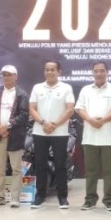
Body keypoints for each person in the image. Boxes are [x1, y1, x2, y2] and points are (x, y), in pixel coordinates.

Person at [75, 61, 111, 211]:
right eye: (96, 71)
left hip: (109, 137)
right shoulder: (85, 89)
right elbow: (79, 108)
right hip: (90, 136)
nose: (99, 73)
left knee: (109, 171)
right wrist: (90, 120)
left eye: (102, 70)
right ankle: (90, 200)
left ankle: (108, 200)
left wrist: (102, 120)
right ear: (92, 72)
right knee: (91, 171)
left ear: (107, 72)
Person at [28, 60, 75, 209]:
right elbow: (32, 108)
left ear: (59, 72)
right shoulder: (37, 87)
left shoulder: (66, 88)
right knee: (40, 164)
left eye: (52, 69)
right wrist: (43, 123)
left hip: (59, 133)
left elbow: (70, 109)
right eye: (47, 69)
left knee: (60, 165)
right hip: (40, 132)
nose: (49, 72)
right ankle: (40, 196)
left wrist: (54, 124)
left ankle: (63, 197)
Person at [0, 65, 29, 208]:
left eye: (9, 74)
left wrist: (8, 126)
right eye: (4, 75)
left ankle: (15, 198)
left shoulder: (22, 94)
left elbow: (24, 115)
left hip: (15, 135)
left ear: (16, 77)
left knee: (16, 168)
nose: (6, 77)